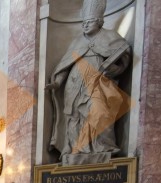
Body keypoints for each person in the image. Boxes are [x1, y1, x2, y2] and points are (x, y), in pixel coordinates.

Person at [46, 0, 131, 164]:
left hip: (98, 82)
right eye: (84, 22)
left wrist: (114, 69)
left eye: (89, 22)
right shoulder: (77, 41)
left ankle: (102, 147)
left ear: (99, 22)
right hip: (75, 83)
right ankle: (76, 149)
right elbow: (65, 66)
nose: (85, 25)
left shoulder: (110, 37)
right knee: (75, 117)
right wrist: (57, 83)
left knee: (100, 111)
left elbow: (124, 57)